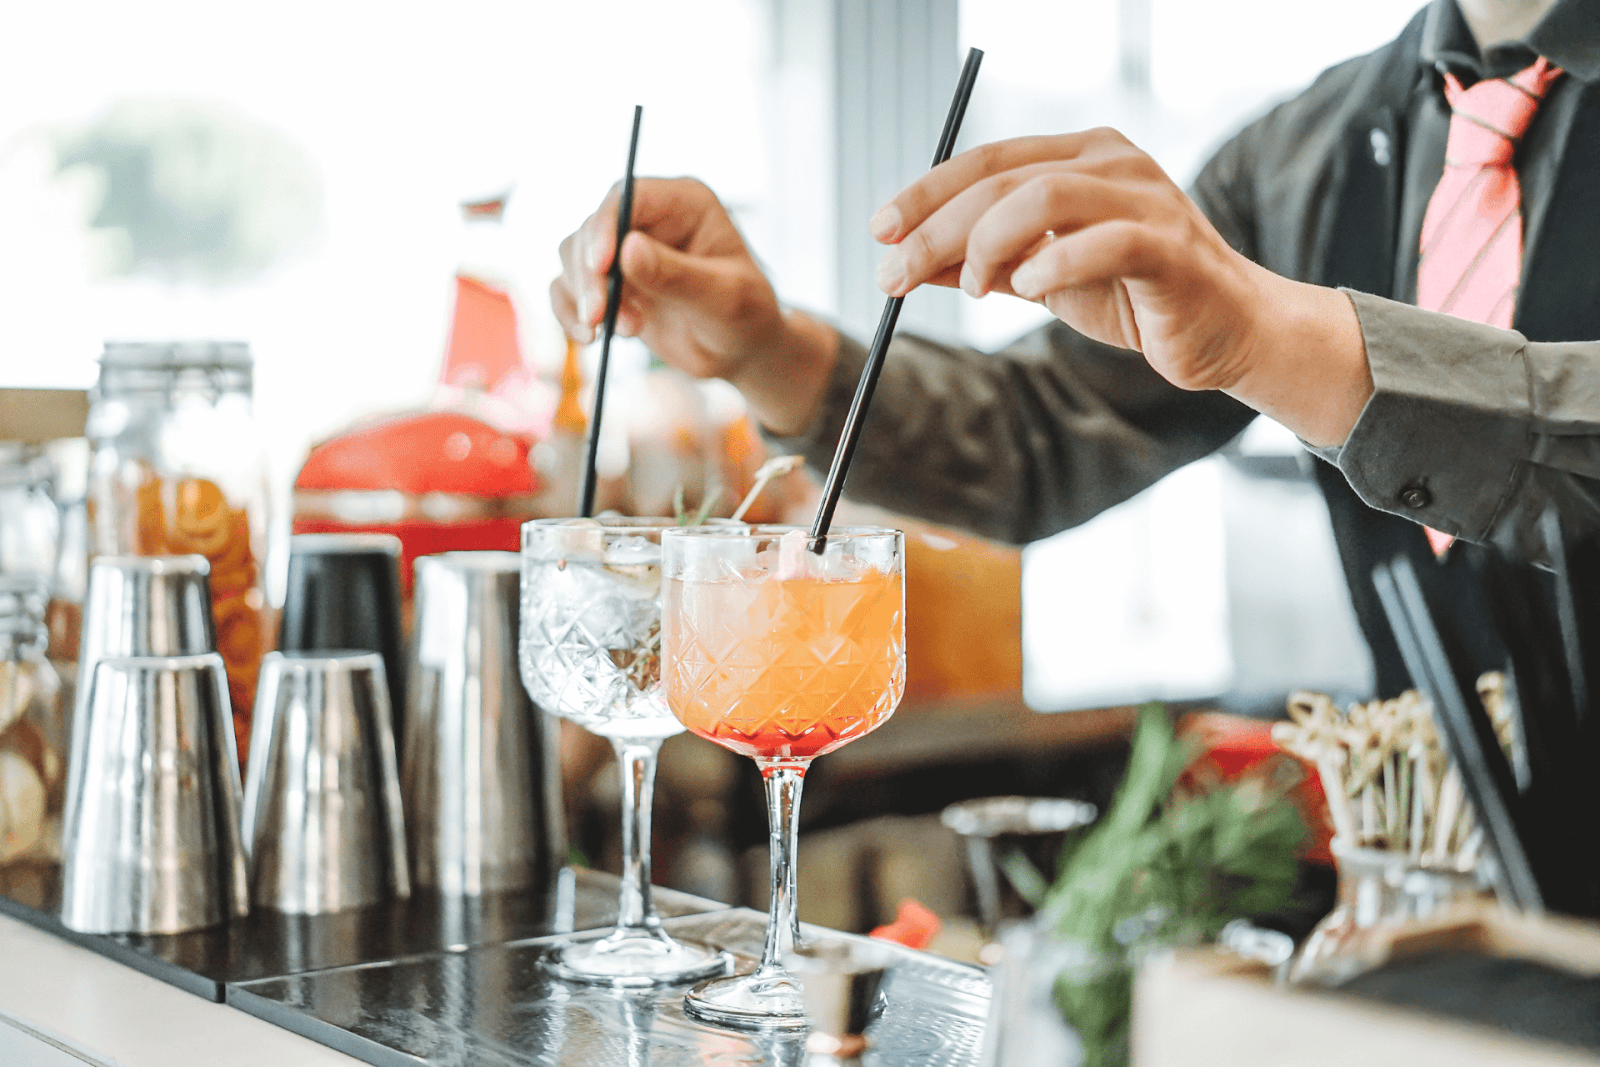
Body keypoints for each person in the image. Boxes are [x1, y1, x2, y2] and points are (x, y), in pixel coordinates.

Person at [552, 0, 1600, 696]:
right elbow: (1048, 428)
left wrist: (1267, 333)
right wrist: (766, 349)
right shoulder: (1305, 152)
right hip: (1467, 905)